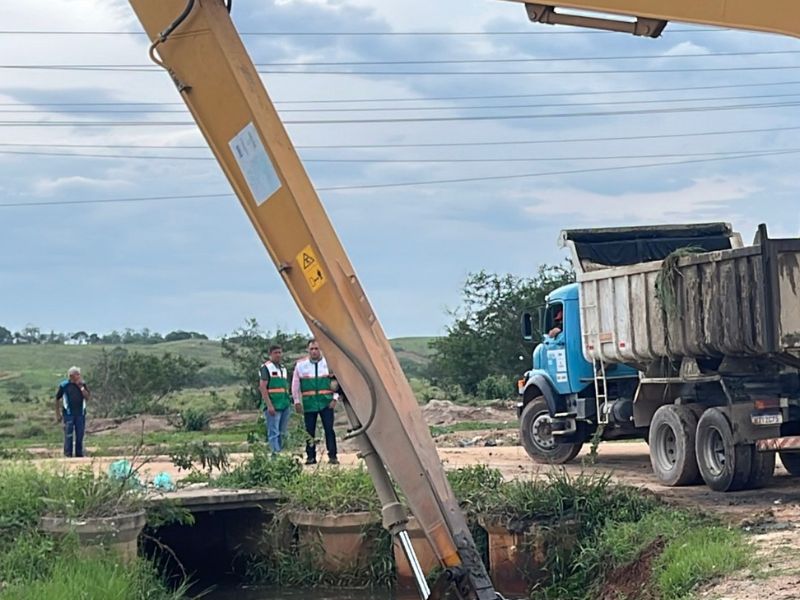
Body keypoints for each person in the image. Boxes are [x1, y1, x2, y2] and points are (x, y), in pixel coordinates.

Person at [292, 339, 338, 465]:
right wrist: (296, 401)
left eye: (316, 349)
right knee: (309, 431)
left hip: (326, 402)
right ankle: (311, 457)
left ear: (320, 350)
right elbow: (295, 384)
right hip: (309, 404)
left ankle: (333, 456)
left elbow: (337, 382)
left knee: (329, 429)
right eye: (311, 349)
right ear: (308, 350)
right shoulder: (301, 365)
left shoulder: (329, 364)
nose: (314, 351)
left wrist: (335, 398)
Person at [259, 345, 294, 453]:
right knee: (274, 432)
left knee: (283, 432)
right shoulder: (266, 368)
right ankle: (275, 455)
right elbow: (262, 387)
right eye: (275, 353)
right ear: (270, 354)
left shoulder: (283, 369)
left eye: (280, 352)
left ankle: (282, 453)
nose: (278, 355)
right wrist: (269, 405)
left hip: (284, 404)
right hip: (273, 405)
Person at [55, 366, 90, 458]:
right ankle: (68, 455)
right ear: (71, 376)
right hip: (68, 414)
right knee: (68, 435)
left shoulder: (83, 384)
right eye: (77, 374)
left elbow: (87, 397)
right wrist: (58, 414)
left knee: (80, 435)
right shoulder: (64, 385)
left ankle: (79, 455)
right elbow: (57, 398)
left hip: (80, 414)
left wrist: (81, 387)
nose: (79, 376)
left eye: (79, 374)